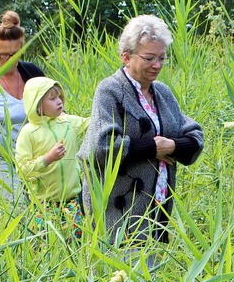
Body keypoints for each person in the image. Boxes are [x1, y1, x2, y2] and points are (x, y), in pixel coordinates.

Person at [78, 14, 203, 255]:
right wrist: (153, 148)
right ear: (126, 57)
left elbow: (194, 137)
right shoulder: (110, 90)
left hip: (156, 210)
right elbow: (101, 147)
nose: (157, 65)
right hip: (118, 211)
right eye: (149, 58)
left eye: (162, 58)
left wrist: (171, 146)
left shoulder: (162, 93)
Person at [0, 10, 44, 204]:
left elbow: (54, 105)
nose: (10, 60)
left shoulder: (33, 73)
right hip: (0, 159)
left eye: (16, 54)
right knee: (18, 209)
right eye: (4, 55)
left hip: (36, 157)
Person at [15, 77, 90, 239]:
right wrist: (47, 159)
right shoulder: (28, 133)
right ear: (37, 104)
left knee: (75, 241)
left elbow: (91, 124)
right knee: (47, 243)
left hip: (72, 200)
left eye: (59, 97)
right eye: (52, 98)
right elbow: (22, 169)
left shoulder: (67, 122)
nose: (59, 102)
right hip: (44, 204)